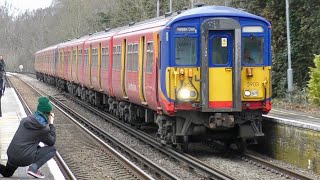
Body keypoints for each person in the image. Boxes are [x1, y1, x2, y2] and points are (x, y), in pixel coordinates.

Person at [0, 96, 56, 179]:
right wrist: (51, 124)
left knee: (7, 173)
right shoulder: (43, 128)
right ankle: (33, 169)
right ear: (47, 114)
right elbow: (51, 142)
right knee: (52, 150)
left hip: (12, 154)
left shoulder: (25, 120)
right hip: (24, 158)